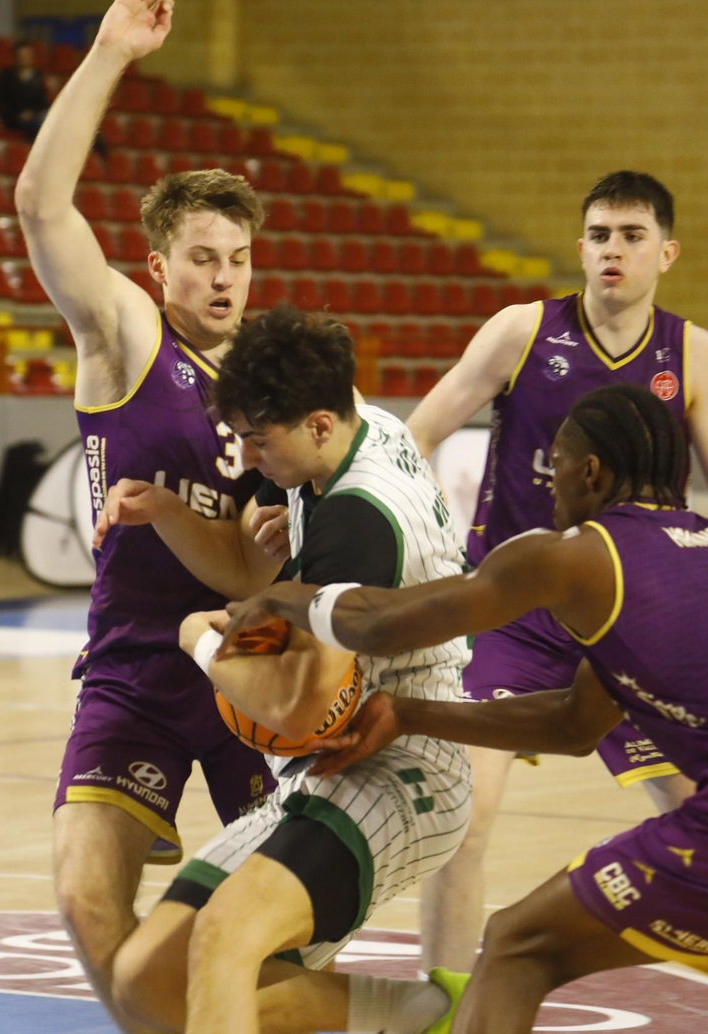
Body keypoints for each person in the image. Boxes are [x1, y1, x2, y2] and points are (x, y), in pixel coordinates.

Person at [228, 386, 708, 1034]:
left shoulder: (572, 553)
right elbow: (575, 725)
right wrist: (411, 713)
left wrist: (289, 596)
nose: (548, 488)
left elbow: (384, 623)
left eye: (556, 470)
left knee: (519, 945)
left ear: (591, 473)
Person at [402, 170, 708, 1033]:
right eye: (598, 234)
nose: (612, 251)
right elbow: (417, 432)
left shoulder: (692, 351)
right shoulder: (523, 331)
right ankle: (446, 1012)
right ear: (582, 247)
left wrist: (688, 570)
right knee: (463, 821)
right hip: (512, 617)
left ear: (666, 252)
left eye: (632, 235)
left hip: (633, 623)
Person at [14, 0, 279, 1027]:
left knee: (285, 928)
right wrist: (112, 52)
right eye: (202, 259)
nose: (224, 278)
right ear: (157, 264)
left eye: (240, 259)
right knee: (86, 900)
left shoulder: (282, 377)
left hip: (258, 665)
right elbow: (40, 205)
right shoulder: (127, 336)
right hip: (135, 662)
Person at [106, 308, 471, 1034]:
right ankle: (430, 1015)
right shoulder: (345, 424)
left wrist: (201, 643)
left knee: (224, 940)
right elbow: (254, 569)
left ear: (317, 425)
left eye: (256, 440)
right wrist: (177, 514)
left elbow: (298, 711)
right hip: (335, 763)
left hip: (401, 767)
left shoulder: (358, 519)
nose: (244, 460)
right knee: (144, 974)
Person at [0, 41, 51, 141]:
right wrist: (17, 115)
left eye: (26, 55)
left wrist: (33, 113)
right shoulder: (5, 76)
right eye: (21, 55)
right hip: (14, 120)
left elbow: (43, 101)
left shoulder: (38, 77)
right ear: (15, 57)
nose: (24, 58)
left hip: (35, 117)